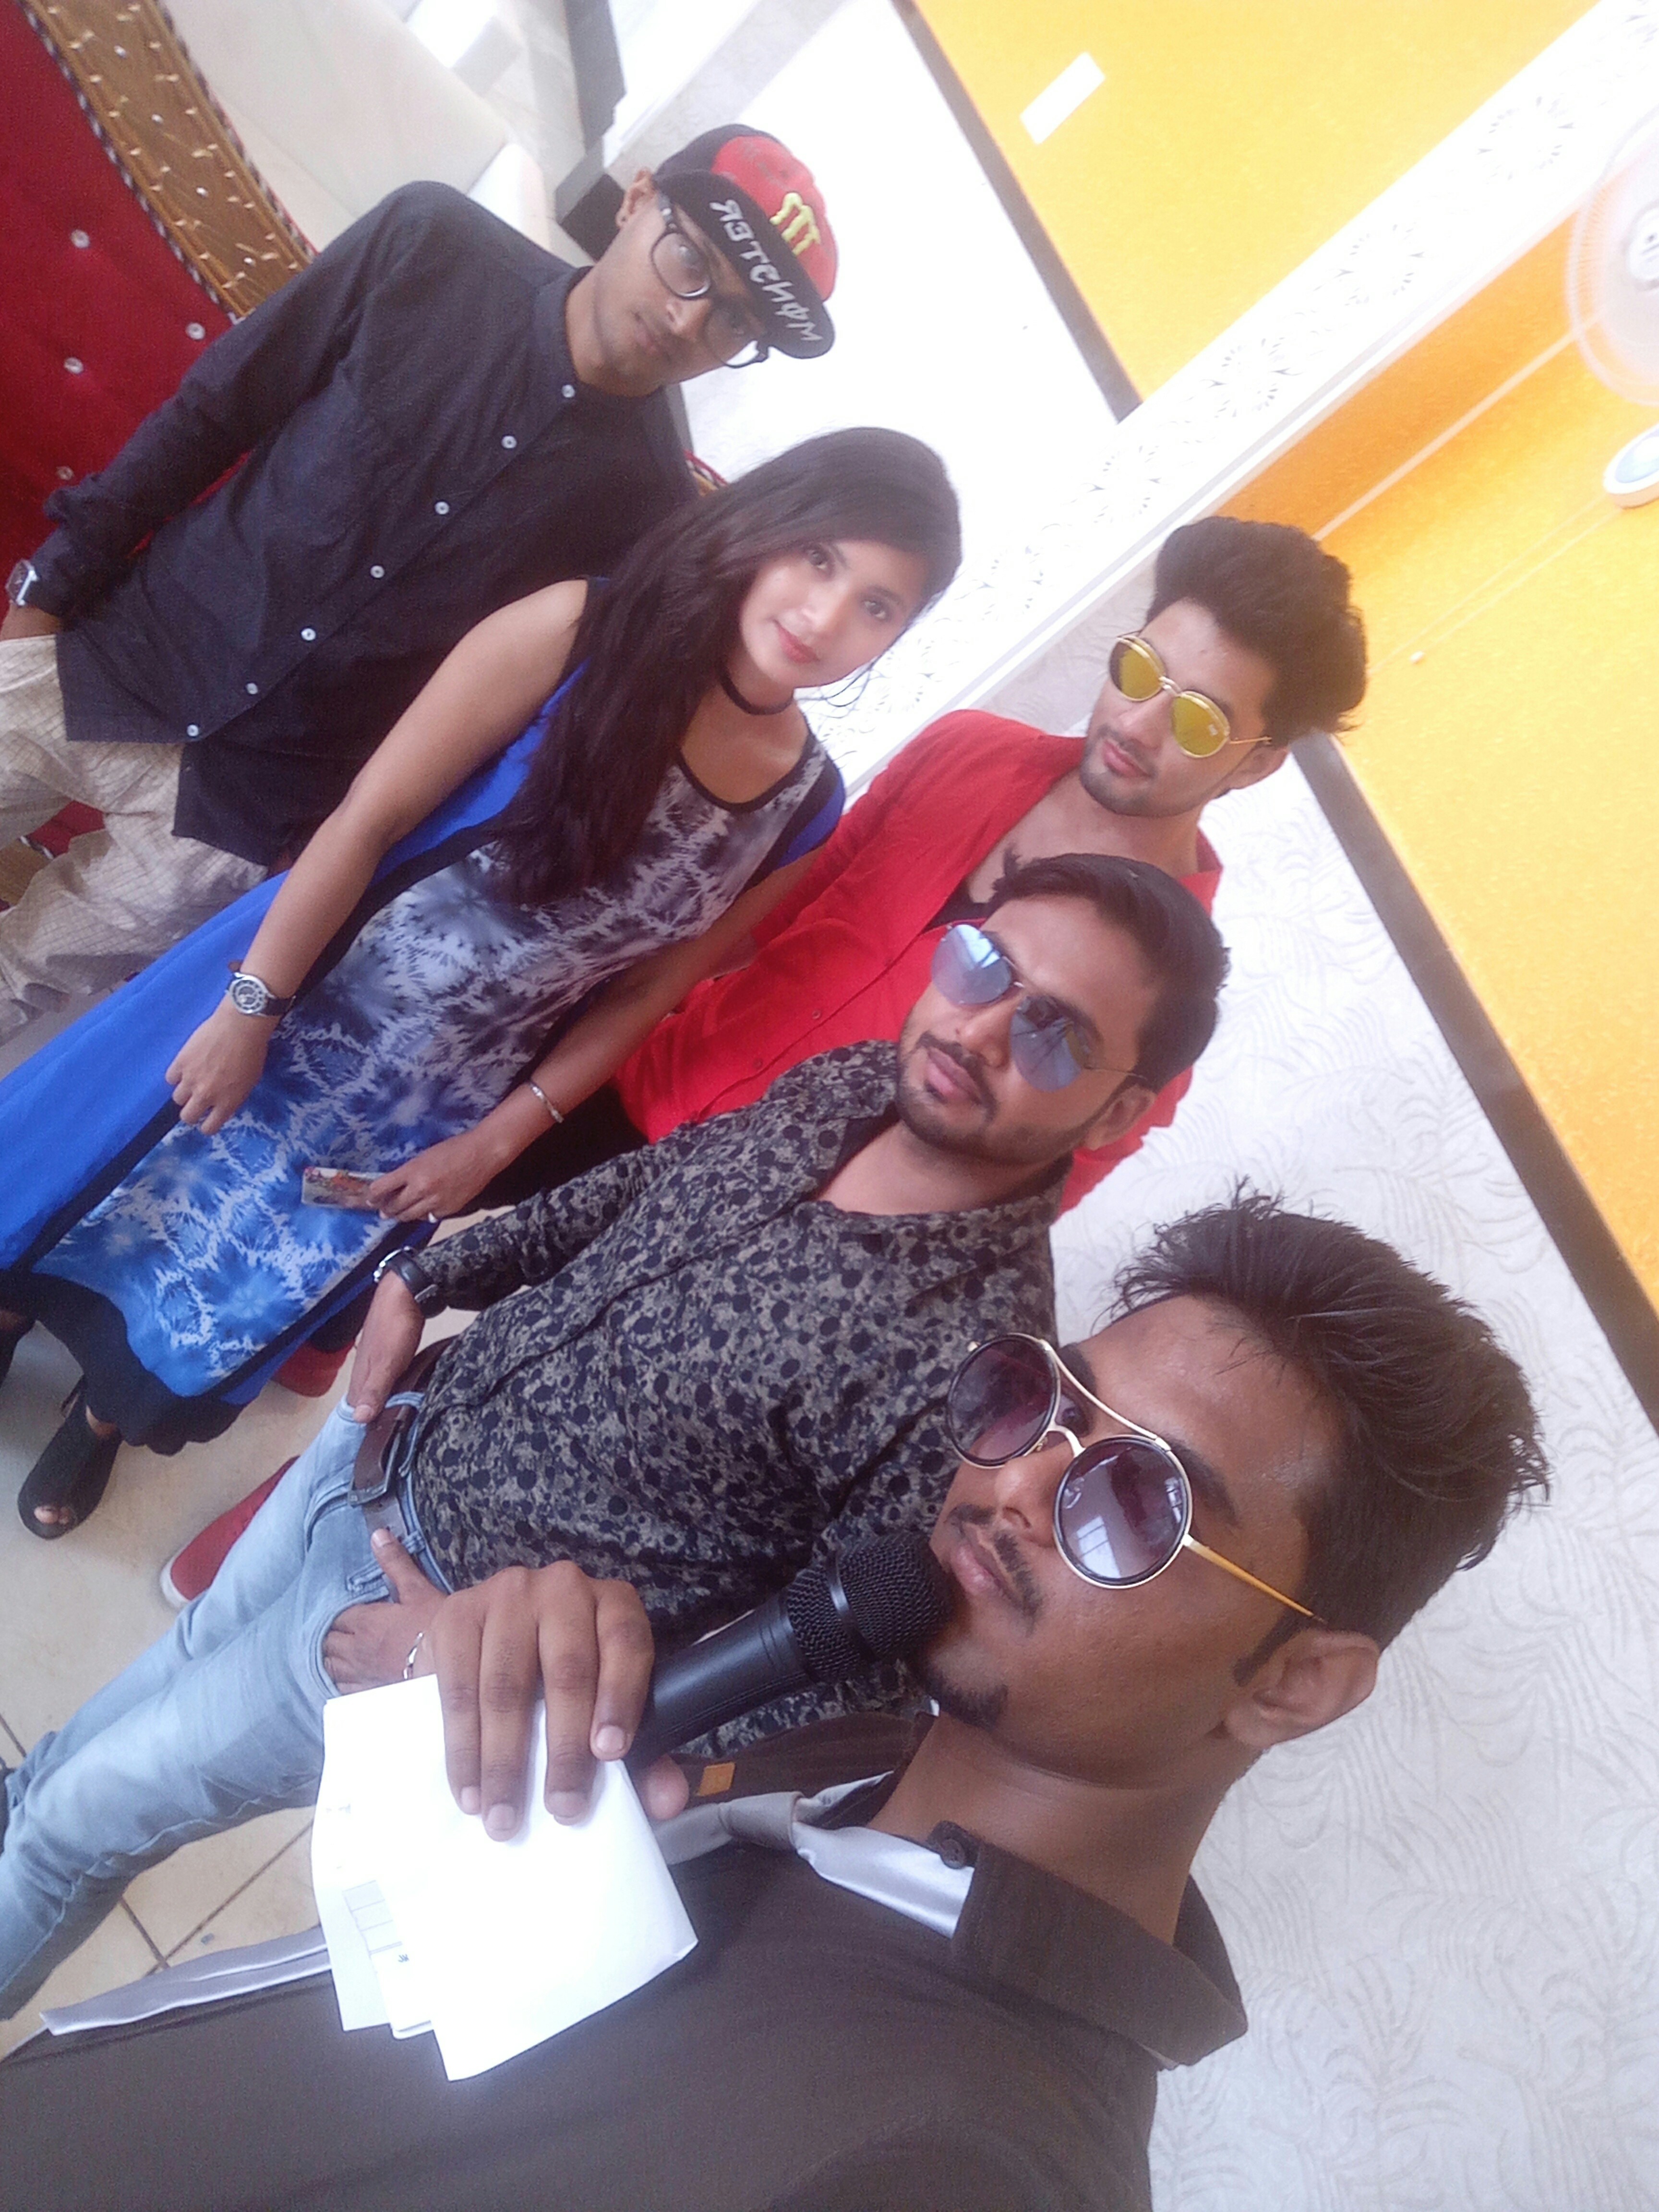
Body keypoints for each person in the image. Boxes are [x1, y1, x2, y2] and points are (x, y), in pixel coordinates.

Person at [0, 1196, 1548, 2212]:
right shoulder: (859, 1761)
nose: (1019, 1484)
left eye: (1139, 1500)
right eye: (1041, 1402)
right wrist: (455, 1696)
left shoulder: (967, 2160)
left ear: (1297, 1683)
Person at [0, 854, 1229, 2015]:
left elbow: (819, 1701)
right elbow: (651, 1186)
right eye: (982, 964)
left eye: (1055, 1032)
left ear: (1119, 1108)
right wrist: (430, 1276)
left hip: (419, 1629)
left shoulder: (974, 1375)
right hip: (383, 1450)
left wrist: (485, 1686)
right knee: (118, 1720)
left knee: (76, 1832)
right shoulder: (857, 1086)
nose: (979, 1029)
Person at [0, 427, 961, 1533]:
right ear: (765, 526)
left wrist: (493, 1144)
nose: (826, 616)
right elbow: (369, 819)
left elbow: (645, 994)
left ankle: (102, 1419)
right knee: (100, 1171)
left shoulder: (806, 806)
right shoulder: (578, 629)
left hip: (430, 1105)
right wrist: (251, 1006)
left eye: (877, 606)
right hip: (296, 985)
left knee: (238, 1279)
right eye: (819, 558)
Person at [0, 125, 839, 1037]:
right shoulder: (432, 245)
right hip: (115, 654)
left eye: (734, 322)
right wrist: (46, 594)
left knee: (17, 981)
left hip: (243, 816)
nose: (687, 320)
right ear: (638, 200)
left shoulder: (651, 514)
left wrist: (320, 846)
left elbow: (493, 722)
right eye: (692, 262)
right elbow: (219, 407)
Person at [489, 515, 1368, 1218]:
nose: (1140, 724)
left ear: (1257, 763)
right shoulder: (967, 748)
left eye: (1201, 721)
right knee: (416, 1264)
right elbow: (763, 920)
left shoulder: (1162, 999)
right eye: (1139, 670)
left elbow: (992, 1210)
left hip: (752, 1228)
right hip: (639, 1083)